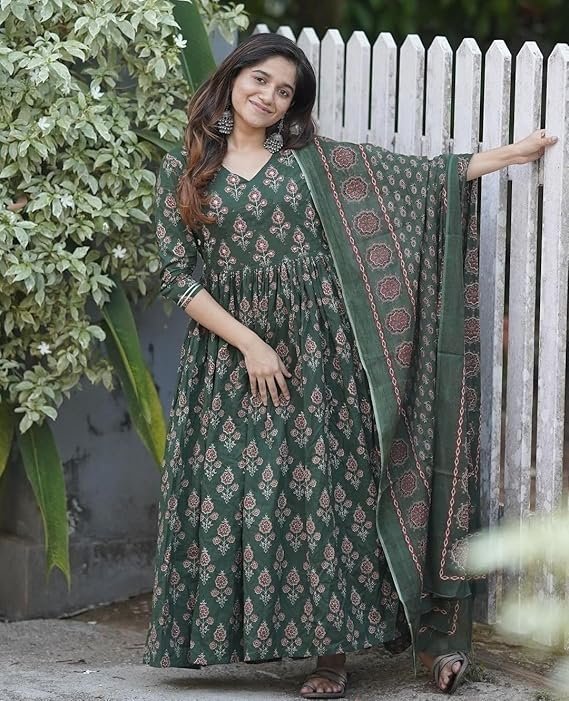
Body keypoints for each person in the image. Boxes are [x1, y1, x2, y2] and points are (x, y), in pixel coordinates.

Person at [143, 32, 557, 698]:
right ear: (232, 78)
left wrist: (510, 154)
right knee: (236, 493)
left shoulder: (314, 162)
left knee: (323, 495)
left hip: (323, 354)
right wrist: (250, 343)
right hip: (230, 358)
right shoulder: (184, 168)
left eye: (284, 91)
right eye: (259, 80)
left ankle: (329, 656)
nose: (268, 97)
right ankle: (233, 638)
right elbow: (176, 274)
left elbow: (419, 181)